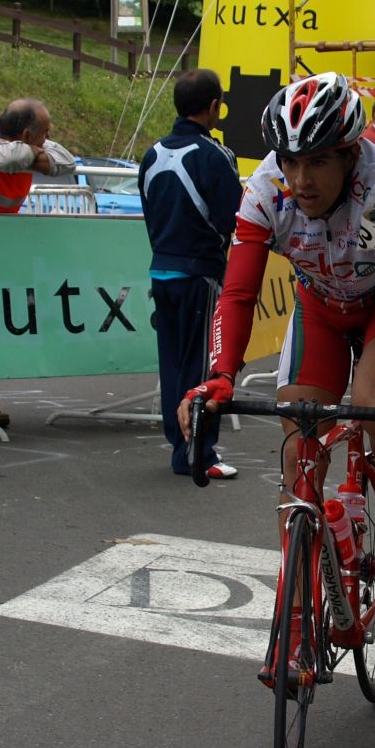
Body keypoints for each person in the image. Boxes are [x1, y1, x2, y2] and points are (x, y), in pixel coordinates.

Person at [176, 73, 375, 632]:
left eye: (317, 162)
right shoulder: (265, 189)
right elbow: (238, 293)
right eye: (290, 161)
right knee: (298, 449)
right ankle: (296, 617)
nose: (300, 179)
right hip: (319, 308)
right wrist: (219, 376)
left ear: (349, 155)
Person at [139, 69, 242, 479]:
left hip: (161, 268)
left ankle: (179, 443)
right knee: (201, 366)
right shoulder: (215, 155)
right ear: (214, 106)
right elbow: (233, 217)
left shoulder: (151, 154)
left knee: (172, 363)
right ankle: (197, 453)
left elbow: (149, 210)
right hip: (201, 273)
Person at [0, 98, 76, 428]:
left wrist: (31, 153)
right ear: (27, 135)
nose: (49, 138)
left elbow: (66, 160)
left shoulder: (27, 144)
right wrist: (33, 157)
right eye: (45, 133)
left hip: (1, 248)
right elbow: (9, 157)